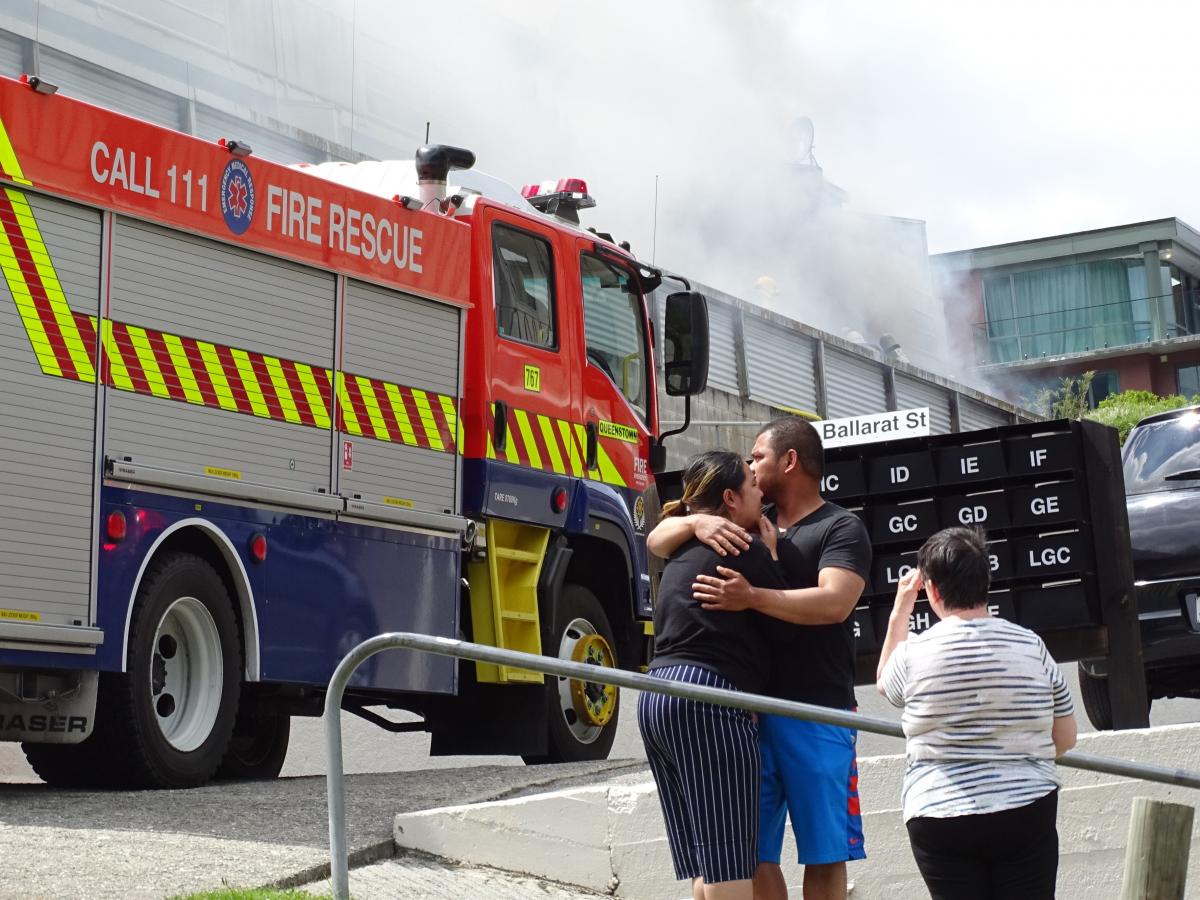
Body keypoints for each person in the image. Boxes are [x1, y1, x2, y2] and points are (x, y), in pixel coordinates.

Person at [646, 417, 872, 900]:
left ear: (789, 461)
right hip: (745, 714)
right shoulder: (736, 523)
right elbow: (655, 540)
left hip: (816, 709)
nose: (750, 466)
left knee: (825, 851)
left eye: (758, 458)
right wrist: (694, 519)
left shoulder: (840, 527)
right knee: (745, 852)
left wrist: (752, 594)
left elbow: (834, 603)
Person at [876, 527, 1078, 900]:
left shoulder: (913, 655)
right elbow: (1064, 739)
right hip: (1025, 808)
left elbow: (884, 682)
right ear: (986, 582)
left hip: (938, 813)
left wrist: (901, 608)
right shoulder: (1031, 646)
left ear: (932, 590)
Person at [639, 449, 787, 900]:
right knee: (730, 866)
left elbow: (654, 539)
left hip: (656, 698)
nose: (761, 493)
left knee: (706, 863)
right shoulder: (743, 546)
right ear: (729, 498)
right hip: (709, 700)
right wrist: (774, 556)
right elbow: (785, 626)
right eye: (753, 486)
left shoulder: (681, 547)